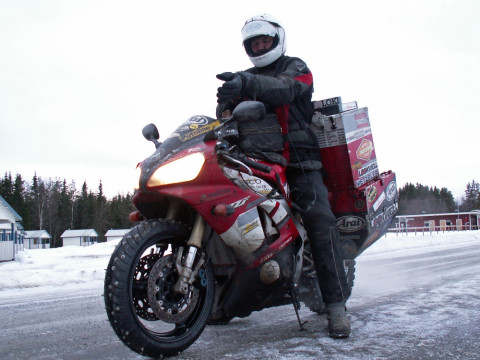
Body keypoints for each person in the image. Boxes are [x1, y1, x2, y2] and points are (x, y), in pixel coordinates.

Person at [216, 14, 351, 338]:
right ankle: (218, 297)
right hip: (255, 161)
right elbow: (224, 116)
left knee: (320, 220)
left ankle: (335, 306)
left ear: (277, 40)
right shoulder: (244, 78)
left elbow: (283, 90)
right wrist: (224, 103)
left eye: (264, 41)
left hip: (300, 163)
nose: (260, 46)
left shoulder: (297, 69)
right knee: (222, 211)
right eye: (254, 43)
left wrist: (244, 85)